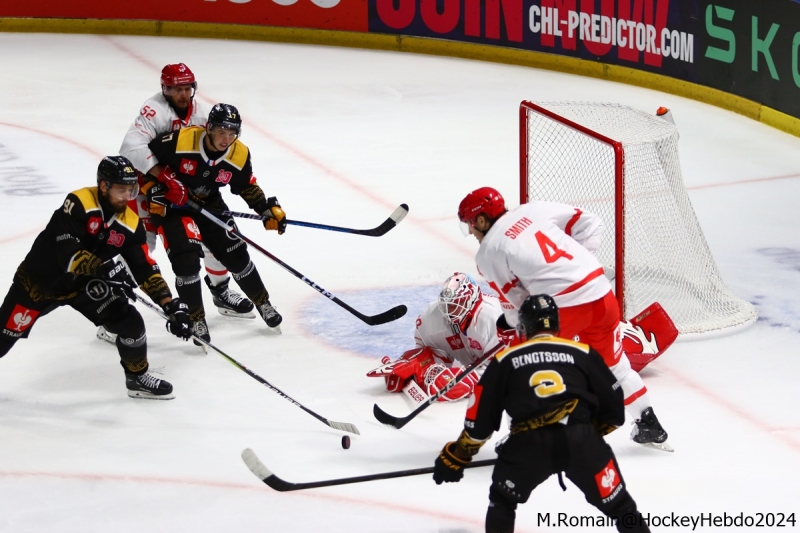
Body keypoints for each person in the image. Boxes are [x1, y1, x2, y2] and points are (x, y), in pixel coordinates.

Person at [457, 187, 670, 451]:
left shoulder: (488, 252)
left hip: (563, 308)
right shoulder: (531, 210)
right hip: (602, 293)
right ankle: (648, 422)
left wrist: (512, 326)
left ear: (481, 220)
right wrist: (577, 267)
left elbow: (518, 307)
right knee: (615, 366)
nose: (472, 234)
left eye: (470, 226)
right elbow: (592, 223)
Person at [432, 294, 650, 533]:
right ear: (557, 325)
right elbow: (614, 410)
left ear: (523, 328)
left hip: (527, 445)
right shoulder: (582, 352)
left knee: (503, 502)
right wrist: (584, 433)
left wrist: (458, 455)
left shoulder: (505, 359)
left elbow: (480, 422)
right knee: (622, 507)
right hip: (581, 441)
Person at [0, 156, 193, 399]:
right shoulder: (79, 202)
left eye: (131, 190)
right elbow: (68, 258)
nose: (127, 196)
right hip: (39, 283)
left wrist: (169, 304)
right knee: (3, 338)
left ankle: (137, 378)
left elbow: (144, 267)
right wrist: (108, 270)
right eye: (121, 189)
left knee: (130, 321)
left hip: (84, 285)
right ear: (104, 186)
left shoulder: (131, 223)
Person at [97, 63, 254, 345]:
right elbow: (130, 149)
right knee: (139, 249)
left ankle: (220, 291)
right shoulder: (153, 111)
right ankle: (113, 317)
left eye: (188, 88)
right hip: (146, 191)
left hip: (187, 194)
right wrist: (164, 176)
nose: (184, 94)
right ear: (165, 89)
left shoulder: (203, 112)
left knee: (212, 238)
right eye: (178, 89)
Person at [144, 102, 284, 343]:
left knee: (237, 254)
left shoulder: (239, 153)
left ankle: (263, 303)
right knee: (186, 261)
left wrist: (265, 209)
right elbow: (143, 161)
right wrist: (153, 190)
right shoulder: (181, 141)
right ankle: (196, 318)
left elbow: (245, 184)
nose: (226, 138)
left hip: (209, 205)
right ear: (208, 127)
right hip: (174, 209)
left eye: (232, 133)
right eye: (221, 131)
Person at [367, 272, 505, 402]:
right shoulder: (432, 317)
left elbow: (505, 370)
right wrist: (419, 366)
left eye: (456, 304)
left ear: (471, 301)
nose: (449, 311)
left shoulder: (495, 318)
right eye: (448, 305)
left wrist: (470, 380)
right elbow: (435, 354)